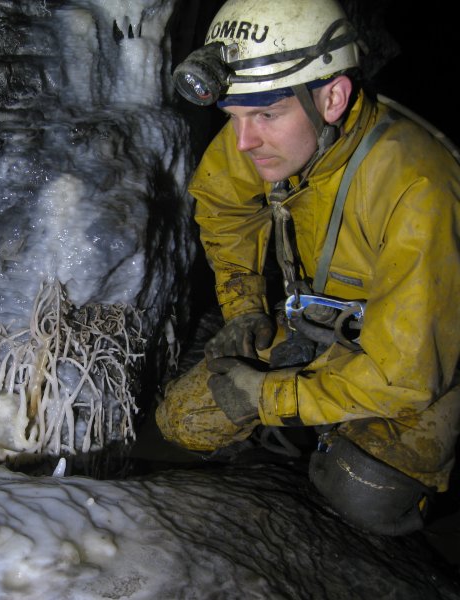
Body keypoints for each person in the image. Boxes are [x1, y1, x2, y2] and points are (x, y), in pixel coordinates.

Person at [156, 0, 460, 536]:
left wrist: (271, 397)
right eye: (233, 117)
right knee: (184, 422)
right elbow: (223, 206)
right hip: (319, 325)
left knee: (365, 494)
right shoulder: (267, 136)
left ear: (333, 97)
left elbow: (405, 372)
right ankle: (321, 420)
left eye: (266, 115)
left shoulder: (419, 187)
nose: (244, 142)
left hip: (411, 358)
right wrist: (245, 309)